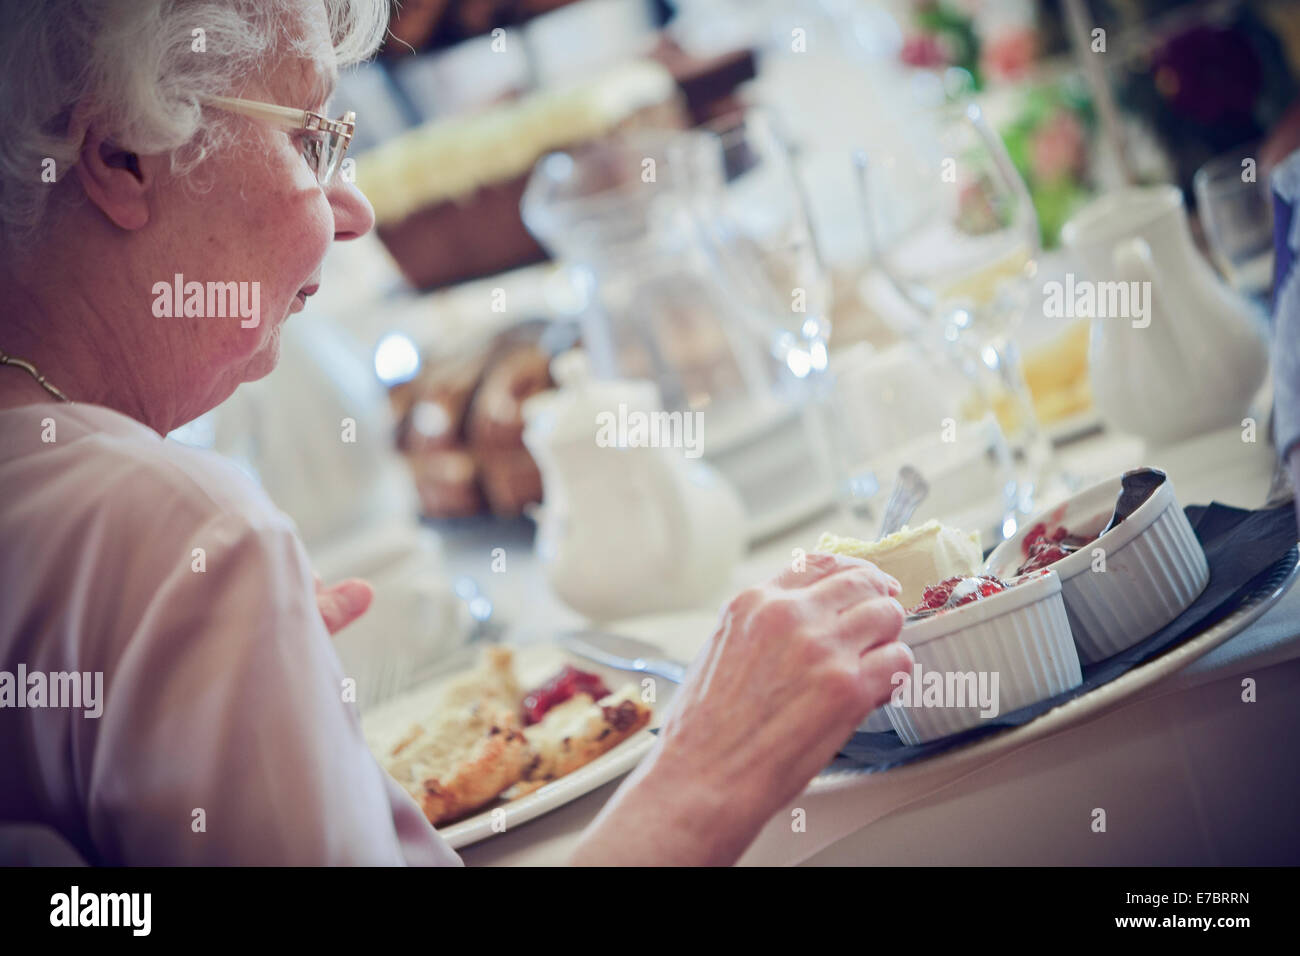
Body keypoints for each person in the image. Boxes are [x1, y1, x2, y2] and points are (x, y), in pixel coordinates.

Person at [0, 0, 910, 866]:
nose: (353, 210)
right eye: (309, 138)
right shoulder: (170, 527)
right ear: (120, 156)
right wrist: (713, 769)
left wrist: (246, 702)